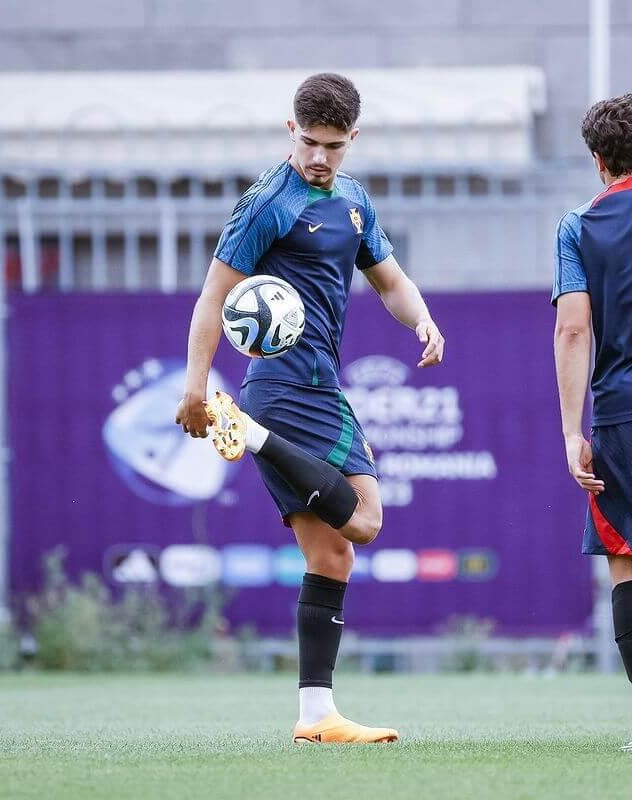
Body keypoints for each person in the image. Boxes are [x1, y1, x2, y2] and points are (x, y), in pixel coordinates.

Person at [176, 72, 444, 744]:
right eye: (310, 142)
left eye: (334, 145)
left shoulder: (353, 200)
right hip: (282, 389)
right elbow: (213, 296)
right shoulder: (268, 201)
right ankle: (251, 434)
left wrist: (422, 319)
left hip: (323, 388)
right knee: (365, 522)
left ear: (354, 138)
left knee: (332, 558)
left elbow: (389, 279)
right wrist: (194, 387)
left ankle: (315, 714)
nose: (319, 156)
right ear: (289, 130)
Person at [553, 93, 632, 751]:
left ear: (598, 159)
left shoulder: (579, 225)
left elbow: (573, 327)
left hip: (622, 417)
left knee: (627, 563)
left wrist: (572, 431)